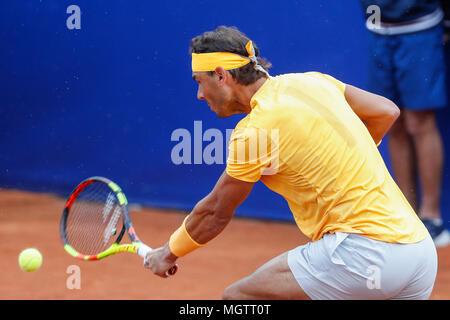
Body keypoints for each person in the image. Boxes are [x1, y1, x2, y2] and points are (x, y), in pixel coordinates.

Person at [143, 26, 437, 300]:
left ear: (221, 75)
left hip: (363, 255)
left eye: (200, 82)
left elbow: (215, 212)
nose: (199, 94)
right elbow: (386, 111)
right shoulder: (312, 81)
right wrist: (341, 154)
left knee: (238, 298)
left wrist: (169, 252)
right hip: (418, 254)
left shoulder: (256, 131)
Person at [360, 0, 450, 247]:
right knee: (393, 121)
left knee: (419, 122)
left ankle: (432, 219)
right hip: (378, 31)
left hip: (419, 29)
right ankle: (407, 215)